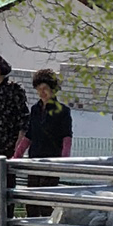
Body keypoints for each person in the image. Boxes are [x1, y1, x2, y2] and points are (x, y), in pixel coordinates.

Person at [17, 67, 75, 215]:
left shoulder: (63, 111)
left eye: (45, 88)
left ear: (53, 90)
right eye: (39, 89)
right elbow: (29, 134)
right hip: (34, 159)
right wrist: (16, 156)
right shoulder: (35, 109)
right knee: (31, 199)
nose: (42, 92)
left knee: (45, 200)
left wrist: (63, 161)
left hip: (51, 160)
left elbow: (66, 137)